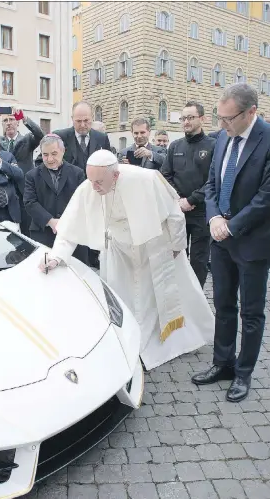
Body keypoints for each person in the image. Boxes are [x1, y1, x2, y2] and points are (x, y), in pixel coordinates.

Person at [39, 149, 214, 370]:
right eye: (91, 180)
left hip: (153, 246)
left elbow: (174, 214)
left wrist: (177, 246)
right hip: (119, 250)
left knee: (156, 298)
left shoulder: (147, 179)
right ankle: (131, 343)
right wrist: (56, 257)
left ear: (116, 175)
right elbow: (68, 228)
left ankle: (167, 344)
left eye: (99, 182)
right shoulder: (90, 186)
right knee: (122, 299)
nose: (94, 187)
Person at [191, 83, 270, 402]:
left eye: (228, 119)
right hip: (220, 237)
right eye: (218, 118)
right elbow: (211, 184)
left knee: (251, 312)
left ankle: (243, 373)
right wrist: (213, 218)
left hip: (252, 242)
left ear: (251, 112)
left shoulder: (267, 139)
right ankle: (222, 363)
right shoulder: (222, 137)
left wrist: (231, 225)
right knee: (223, 305)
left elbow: (266, 196)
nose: (221, 125)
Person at [161, 101, 216, 288]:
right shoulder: (175, 146)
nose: (186, 122)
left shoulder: (213, 146)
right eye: (183, 118)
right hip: (178, 212)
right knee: (177, 257)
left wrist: (192, 200)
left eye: (190, 117)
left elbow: (213, 181)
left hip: (201, 213)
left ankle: (197, 298)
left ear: (202, 119)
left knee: (199, 262)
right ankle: (180, 295)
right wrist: (178, 199)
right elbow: (165, 175)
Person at [0, 106, 43, 236]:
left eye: (12, 119)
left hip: (23, 190)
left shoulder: (27, 139)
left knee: (26, 227)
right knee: (6, 229)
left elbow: (40, 135)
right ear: (2, 124)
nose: (9, 123)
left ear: (17, 123)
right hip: (4, 191)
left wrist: (24, 118)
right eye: (5, 120)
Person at [24, 134, 88, 265]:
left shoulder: (78, 173)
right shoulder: (32, 175)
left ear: (63, 151)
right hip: (43, 233)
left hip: (73, 233)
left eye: (54, 153)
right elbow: (30, 202)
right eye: (45, 154)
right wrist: (50, 221)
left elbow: (83, 202)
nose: (50, 159)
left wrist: (66, 222)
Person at [34, 101, 111, 171]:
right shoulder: (59, 137)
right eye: (78, 121)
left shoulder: (102, 138)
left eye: (86, 120)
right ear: (72, 119)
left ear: (92, 118)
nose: (82, 125)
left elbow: (110, 164)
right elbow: (40, 162)